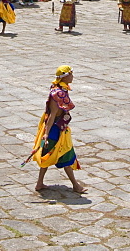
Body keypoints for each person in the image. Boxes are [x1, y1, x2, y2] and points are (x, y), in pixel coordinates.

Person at [32, 65, 85, 193]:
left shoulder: (60, 89)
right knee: (65, 154)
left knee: (48, 155)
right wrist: (46, 133)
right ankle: (76, 185)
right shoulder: (58, 94)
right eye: (71, 74)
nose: (72, 76)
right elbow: (52, 115)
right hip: (55, 130)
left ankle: (40, 183)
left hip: (58, 128)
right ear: (65, 76)